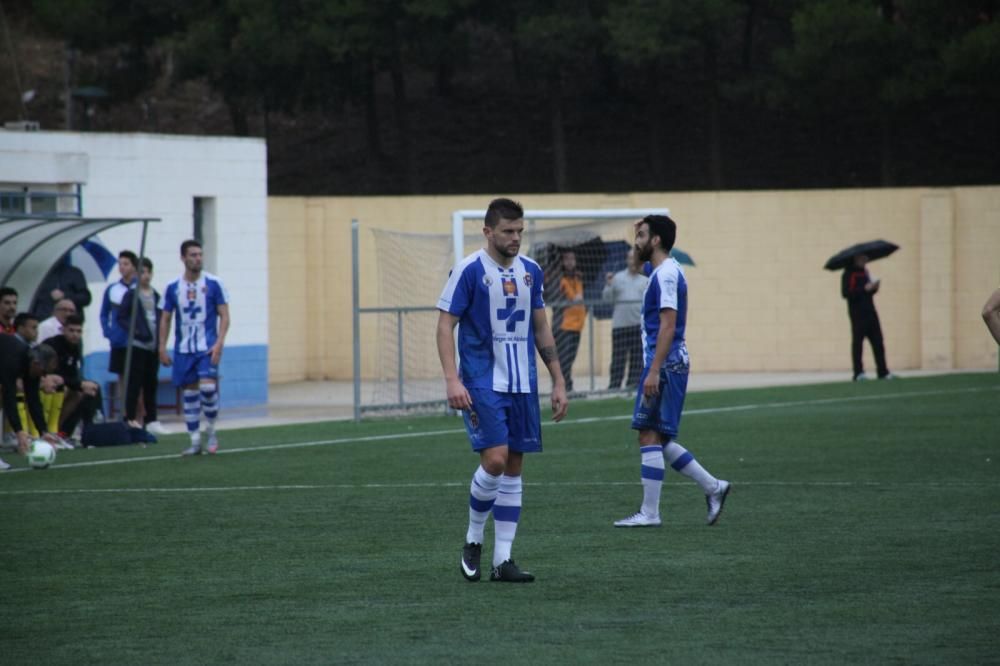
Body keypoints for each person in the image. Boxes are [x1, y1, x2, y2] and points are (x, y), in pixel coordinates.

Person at [436, 197, 569, 584]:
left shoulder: (532, 271)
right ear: (488, 232)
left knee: (514, 466)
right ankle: (473, 539)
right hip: (481, 379)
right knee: (494, 459)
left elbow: (542, 327)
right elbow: (445, 325)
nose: (515, 238)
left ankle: (503, 561)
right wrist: (451, 379)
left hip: (522, 381)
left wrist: (558, 380)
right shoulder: (468, 270)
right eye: (508, 231)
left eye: (520, 231)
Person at [614, 214, 731, 528]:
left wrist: (653, 370)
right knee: (658, 439)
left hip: (664, 365)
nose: (635, 241)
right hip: (670, 363)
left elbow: (668, 324)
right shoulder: (664, 270)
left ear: (655, 241)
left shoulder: (666, 275)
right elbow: (643, 266)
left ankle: (650, 514)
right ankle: (713, 487)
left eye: (640, 235)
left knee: (648, 434)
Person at [159, 239, 230, 456]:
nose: (197, 258)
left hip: (206, 347)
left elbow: (225, 316)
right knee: (190, 394)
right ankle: (195, 441)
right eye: (193, 255)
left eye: (200, 254)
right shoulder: (172, 287)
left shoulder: (214, 283)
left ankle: (211, 430)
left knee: (208, 389)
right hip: (183, 349)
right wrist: (161, 347)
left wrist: (219, 343)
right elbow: (165, 319)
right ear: (183, 258)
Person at [118, 257, 169, 434]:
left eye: (148, 272)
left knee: (151, 383)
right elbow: (121, 317)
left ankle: (151, 419)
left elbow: (163, 318)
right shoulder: (131, 295)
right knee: (134, 383)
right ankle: (130, 418)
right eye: (141, 272)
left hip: (153, 346)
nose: (145, 276)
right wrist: (136, 332)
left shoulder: (156, 295)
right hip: (138, 345)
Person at [0, 335, 58, 469]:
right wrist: (19, 432)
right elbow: (10, 398)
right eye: (44, 372)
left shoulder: (31, 367)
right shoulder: (13, 361)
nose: (43, 377)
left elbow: (33, 400)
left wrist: (44, 431)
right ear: (36, 363)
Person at [47, 314, 104, 444]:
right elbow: (56, 374)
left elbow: (71, 374)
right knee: (68, 390)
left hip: (63, 383)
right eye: (71, 330)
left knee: (87, 390)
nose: (75, 334)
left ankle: (75, 432)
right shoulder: (54, 345)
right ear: (63, 330)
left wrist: (82, 384)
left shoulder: (76, 347)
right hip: (46, 384)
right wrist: (80, 384)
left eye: (78, 331)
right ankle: (52, 431)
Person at [602, 248, 648, 390]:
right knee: (618, 358)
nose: (632, 260)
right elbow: (607, 300)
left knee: (637, 358)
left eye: (635, 258)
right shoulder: (617, 278)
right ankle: (614, 386)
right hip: (620, 326)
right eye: (630, 258)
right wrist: (608, 285)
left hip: (637, 326)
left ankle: (632, 385)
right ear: (626, 260)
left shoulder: (645, 281)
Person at [841, 254, 893, 381]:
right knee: (858, 344)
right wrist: (864, 289)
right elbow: (846, 293)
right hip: (857, 314)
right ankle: (858, 373)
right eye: (862, 259)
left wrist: (874, 288)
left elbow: (869, 292)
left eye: (866, 259)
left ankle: (883, 371)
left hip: (871, 312)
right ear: (856, 259)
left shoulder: (866, 272)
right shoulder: (848, 274)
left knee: (878, 342)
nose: (865, 261)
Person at [101, 250, 139, 382]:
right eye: (120, 264)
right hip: (118, 340)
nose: (122, 267)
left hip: (138, 340)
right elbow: (104, 313)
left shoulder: (140, 287)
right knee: (121, 377)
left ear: (134, 266)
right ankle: (123, 403)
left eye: (126, 264)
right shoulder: (112, 289)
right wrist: (108, 331)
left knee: (137, 378)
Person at [551, 249, 586, 393]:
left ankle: (568, 388)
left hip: (577, 326)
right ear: (562, 262)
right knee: (563, 359)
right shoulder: (558, 279)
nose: (570, 262)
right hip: (563, 326)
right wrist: (570, 301)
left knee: (570, 359)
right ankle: (564, 388)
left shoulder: (578, 278)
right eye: (567, 259)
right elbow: (553, 299)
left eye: (573, 259)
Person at [31, 254, 92, 322]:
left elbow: (85, 298)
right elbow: (33, 300)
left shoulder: (74, 273)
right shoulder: (39, 274)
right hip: (44, 320)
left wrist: (65, 295)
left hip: (70, 323)